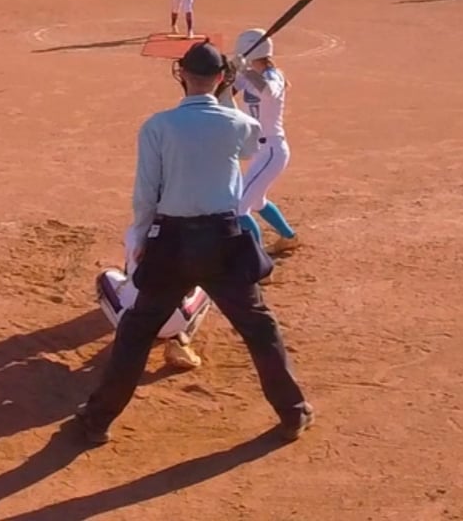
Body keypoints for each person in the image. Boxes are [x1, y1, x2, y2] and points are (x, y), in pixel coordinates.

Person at [73, 41, 312, 447]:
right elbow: (251, 141)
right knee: (260, 327)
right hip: (224, 241)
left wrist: (140, 238)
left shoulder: (157, 126)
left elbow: (145, 193)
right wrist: (228, 89)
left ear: (181, 74)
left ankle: (96, 421)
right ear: (221, 77)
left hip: (170, 241)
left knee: (136, 332)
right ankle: (293, 412)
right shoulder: (237, 124)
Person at [96, 223, 211, 371]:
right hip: (175, 321)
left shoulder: (135, 232)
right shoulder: (196, 238)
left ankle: (129, 345)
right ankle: (180, 341)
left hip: (136, 318)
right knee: (207, 285)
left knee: (105, 277)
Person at [230, 27, 298, 251]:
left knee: (239, 208)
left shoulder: (273, 76)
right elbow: (226, 91)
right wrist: (228, 71)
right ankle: (289, 237)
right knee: (257, 201)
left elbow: (268, 91)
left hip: (272, 150)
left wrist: (244, 70)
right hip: (260, 151)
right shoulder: (247, 75)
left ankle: (258, 261)